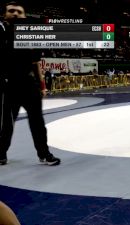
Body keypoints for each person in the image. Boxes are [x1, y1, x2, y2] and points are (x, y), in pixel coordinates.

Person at [0, 1, 61, 166]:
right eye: (11, 11)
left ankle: (44, 154)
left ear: (24, 16)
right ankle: (1, 153)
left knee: (38, 123)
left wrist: (42, 85)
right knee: (6, 124)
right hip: (9, 85)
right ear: (5, 15)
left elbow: (36, 63)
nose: (15, 14)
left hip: (29, 85)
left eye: (19, 12)